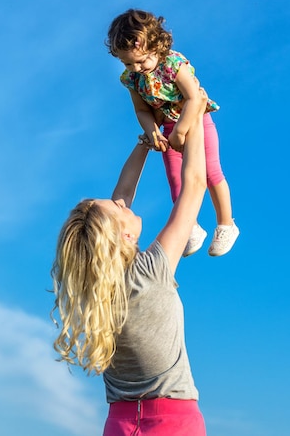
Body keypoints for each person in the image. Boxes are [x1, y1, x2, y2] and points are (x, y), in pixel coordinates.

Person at [51, 89, 209, 435]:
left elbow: (121, 195)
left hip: (120, 423)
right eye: (117, 208)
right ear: (122, 238)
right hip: (172, 422)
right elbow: (194, 187)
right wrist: (193, 115)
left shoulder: (96, 290)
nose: (122, 203)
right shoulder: (147, 274)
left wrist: (145, 142)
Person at [106, 8, 239, 257]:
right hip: (167, 128)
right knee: (176, 179)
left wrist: (181, 131)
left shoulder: (173, 64)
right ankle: (192, 228)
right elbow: (141, 110)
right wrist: (152, 131)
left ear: (155, 46)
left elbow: (193, 98)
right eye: (127, 63)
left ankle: (226, 224)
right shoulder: (132, 79)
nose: (136, 67)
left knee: (211, 172)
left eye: (141, 60)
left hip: (196, 120)